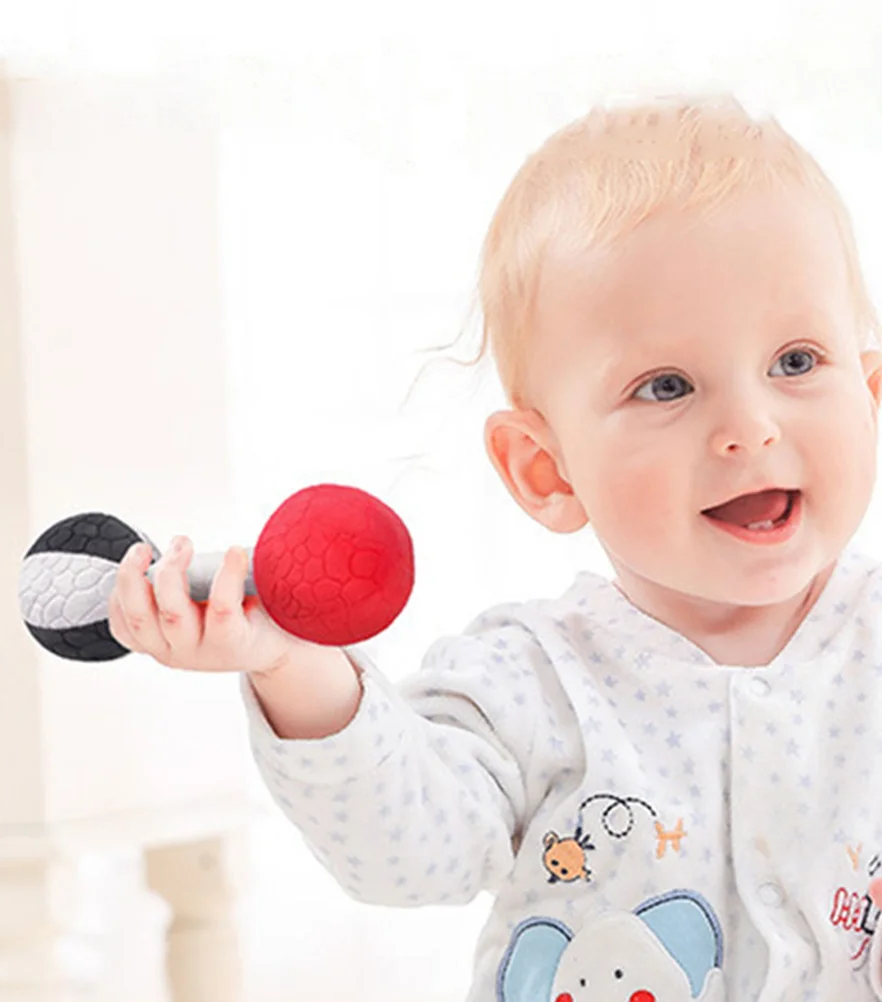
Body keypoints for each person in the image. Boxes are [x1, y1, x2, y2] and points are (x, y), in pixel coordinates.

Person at [107, 91, 882, 1000]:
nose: (748, 427)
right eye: (667, 386)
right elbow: (402, 850)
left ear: (869, 392)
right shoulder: (528, 681)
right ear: (546, 470)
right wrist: (293, 663)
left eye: (795, 362)